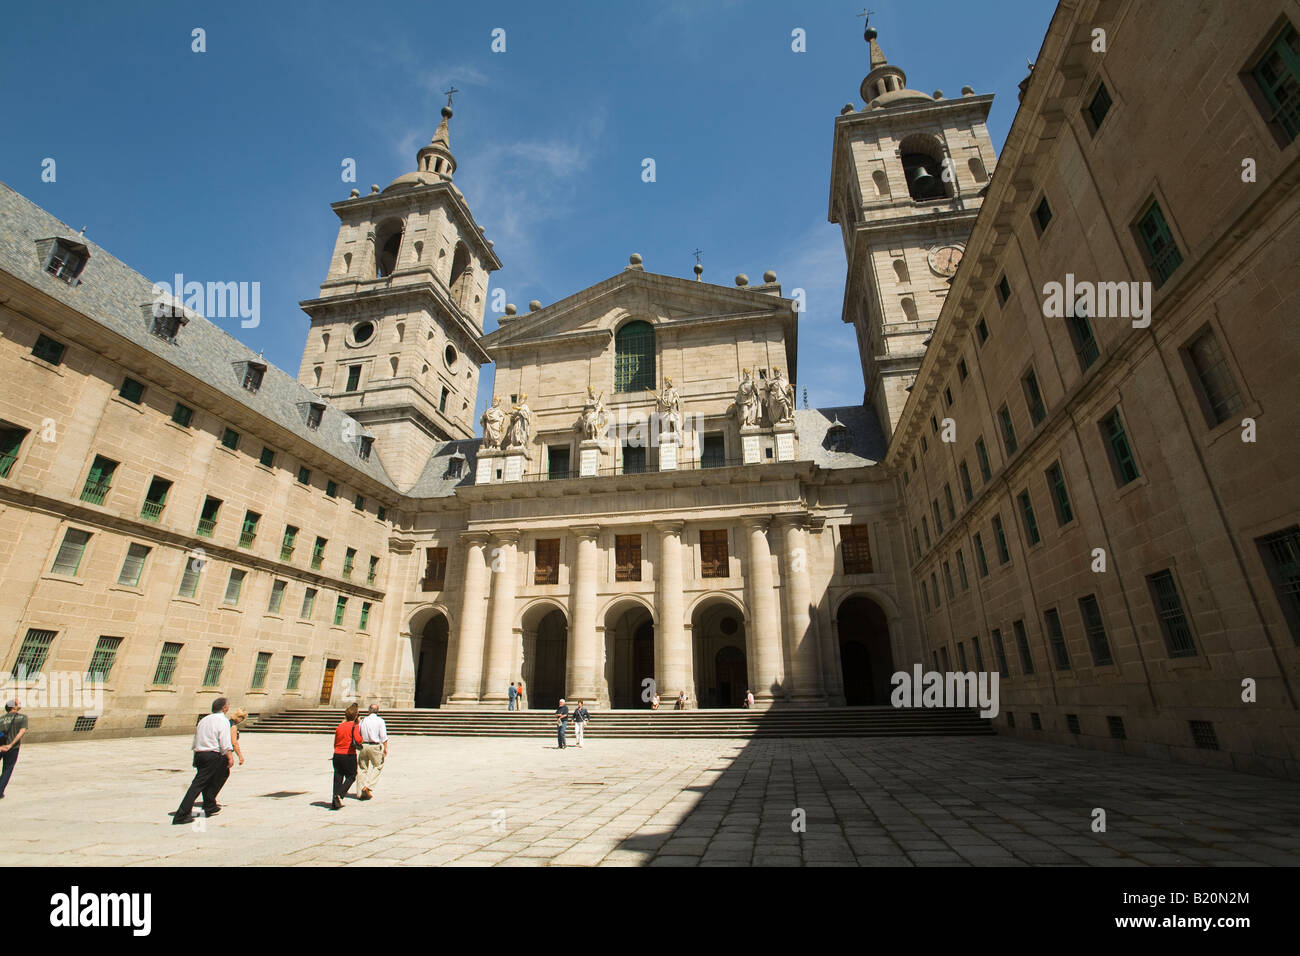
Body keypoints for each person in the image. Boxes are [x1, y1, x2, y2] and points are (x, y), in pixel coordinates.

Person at [171, 698, 234, 824]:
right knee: (198, 784)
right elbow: (224, 740)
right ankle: (181, 815)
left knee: (219, 775)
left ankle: (210, 805)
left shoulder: (204, 720)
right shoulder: (223, 721)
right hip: (212, 754)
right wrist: (230, 755)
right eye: (228, 706)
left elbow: (196, 737)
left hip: (200, 753)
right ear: (224, 708)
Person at [331, 703, 363, 810]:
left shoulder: (339, 726)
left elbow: (335, 741)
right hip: (348, 754)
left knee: (338, 777)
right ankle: (339, 795)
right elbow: (358, 740)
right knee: (351, 775)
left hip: (337, 754)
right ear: (356, 716)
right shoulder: (354, 726)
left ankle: (334, 801)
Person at [357, 704, 388, 801]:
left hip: (363, 745)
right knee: (378, 765)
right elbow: (383, 736)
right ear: (377, 711)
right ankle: (368, 787)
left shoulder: (363, 721)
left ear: (369, 711)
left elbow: (359, 732)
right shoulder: (380, 721)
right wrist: (385, 748)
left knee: (362, 768)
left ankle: (360, 792)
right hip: (374, 746)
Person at [0, 699, 29, 799]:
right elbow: (21, 732)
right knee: (7, 769)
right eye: (17, 703)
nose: (19, 704)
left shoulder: (1, 719)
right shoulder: (22, 717)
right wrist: (10, 745)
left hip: (1, 748)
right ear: (13, 707)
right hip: (12, 748)